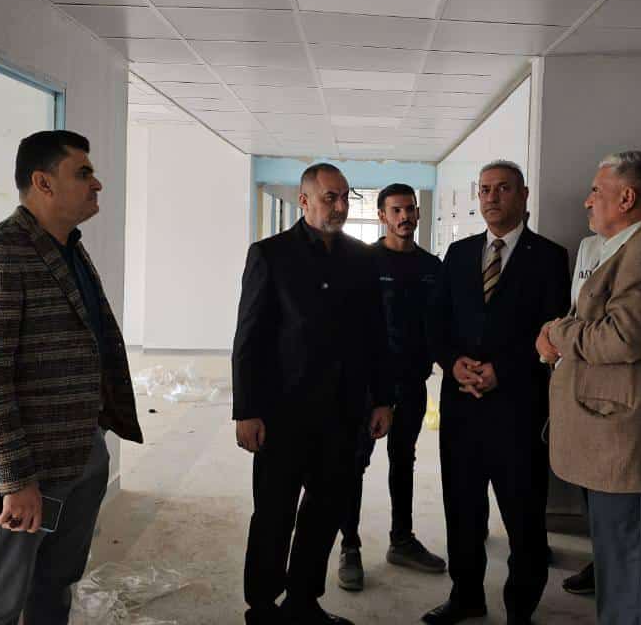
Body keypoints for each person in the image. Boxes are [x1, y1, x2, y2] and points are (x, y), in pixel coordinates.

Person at [0, 130, 144, 625]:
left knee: (55, 587)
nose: (97, 184)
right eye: (83, 173)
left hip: (79, 454)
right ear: (43, 182)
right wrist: (16, 481)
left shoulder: (69, 250)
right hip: (24, 471)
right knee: (0, 602)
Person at [537, 151, 641, 625]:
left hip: (631, 446)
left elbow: (624, 336)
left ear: (627, 198)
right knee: (619, 569)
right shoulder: (628, 248)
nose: (588, 201)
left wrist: (557, 332)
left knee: (632, 576)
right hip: (614, 443)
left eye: (597, 191)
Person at [232, 163, 395, 625]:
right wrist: (247, 410)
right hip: (282, 414)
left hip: (343, 414)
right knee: (274, 516)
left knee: (324, 514)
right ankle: (262, 608)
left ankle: (303, 603)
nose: (340, 206)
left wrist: (383, 398)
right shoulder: (271, 255)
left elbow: (376, 334)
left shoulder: (361, 259)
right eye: (329, 197)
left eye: (345, 197)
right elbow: (249, 337)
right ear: (304, 201)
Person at [423, 160, 570, 625]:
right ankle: (466, 595)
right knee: (462, 509)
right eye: (485, 189)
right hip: (462, 407)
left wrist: (502, 371)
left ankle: (519, 609)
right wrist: (452, 362)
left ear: (523, 195)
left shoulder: (550, 257)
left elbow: (554, 330)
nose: (491, 197)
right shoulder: (459, 253)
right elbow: (436, 323)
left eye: (503, 188)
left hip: (518, 410)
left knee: (524, 516)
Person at [337, 183, 446, 591]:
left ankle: (401, 540)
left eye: (409, 209)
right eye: (396, 210)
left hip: (412, 384)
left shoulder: (432, 266)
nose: (404, 217)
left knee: (404, 460)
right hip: (368, 387)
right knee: (355, 464)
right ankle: (349, 546)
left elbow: (440, 323)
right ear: (382, 216)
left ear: (417, 213)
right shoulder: (363, 262)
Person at [560, 232, 603, 597]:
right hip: (579, 374)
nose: (588, 205)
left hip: (614, 388)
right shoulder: (588, 247)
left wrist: (558, 334)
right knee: (589, 483)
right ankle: (601, 561)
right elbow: (576, 308)